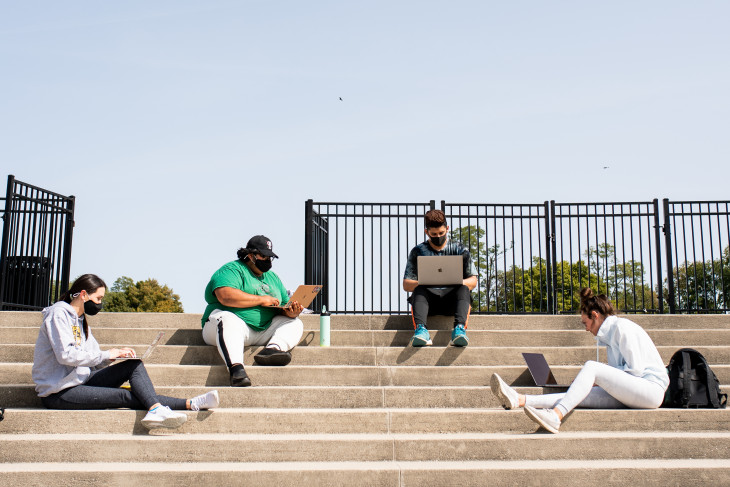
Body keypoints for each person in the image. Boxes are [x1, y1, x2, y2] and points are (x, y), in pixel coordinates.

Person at [32, 274, 219, 430]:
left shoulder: (81, 321)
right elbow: (65, 355)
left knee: (133, 365)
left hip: (81, 379)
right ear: (83, 295)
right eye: (98, 298)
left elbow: (94, 359)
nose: (100, 304)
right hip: (59, 392)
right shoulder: (59, 314)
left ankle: (181, 404)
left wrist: (117, 355)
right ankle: (187, 404)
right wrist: (108, 354)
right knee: (126, 395)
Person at [490, 287, 669, 433]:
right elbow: (622, 376)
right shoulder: (609, 336)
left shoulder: (622, 328)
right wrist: (588, 383)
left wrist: (595, 378)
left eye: (586, 323)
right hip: (637, 392)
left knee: (592, 367)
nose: (585, 329)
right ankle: (520, 400)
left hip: (650, 390)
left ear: (595, 315)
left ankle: (555, 416)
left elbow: (635, 372)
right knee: (579, 394)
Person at [202, 235, 304, 387]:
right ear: (250, 255)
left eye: (270, 257)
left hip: (262, 330)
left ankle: (272, 350)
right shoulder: (232, 269)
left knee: (295, 323)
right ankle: (236, 370)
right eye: (263, 256)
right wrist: (262, 299)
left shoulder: (273, 277)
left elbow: (282, 306)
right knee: (227, 319)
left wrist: (291, 312)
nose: (268, 260)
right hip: (224, 328)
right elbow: (225, 296)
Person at [402, 209, 477, 347]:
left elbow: (473, 281)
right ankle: (421, 331)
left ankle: (459, 331)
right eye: (433, 234)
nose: (438, 236)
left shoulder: (460, 249)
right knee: (419, 289)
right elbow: (406, 284)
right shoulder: (418, 251)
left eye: (441, 233)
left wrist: (456, 281)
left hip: (452, 302)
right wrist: (425, 281)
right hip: (428, 304)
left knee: (463, 289)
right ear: (426, 232)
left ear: (447, 229)